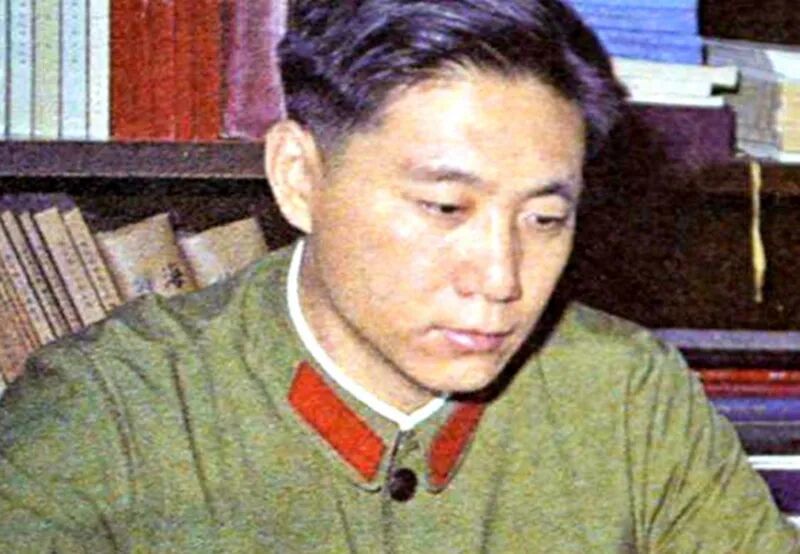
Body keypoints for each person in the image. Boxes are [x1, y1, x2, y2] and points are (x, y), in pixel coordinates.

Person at [1, 0, 797, 551]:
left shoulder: (625, 392)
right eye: (445, 207)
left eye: (545, 219)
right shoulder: (106, 416)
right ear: (300, 176)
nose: (500, 279)